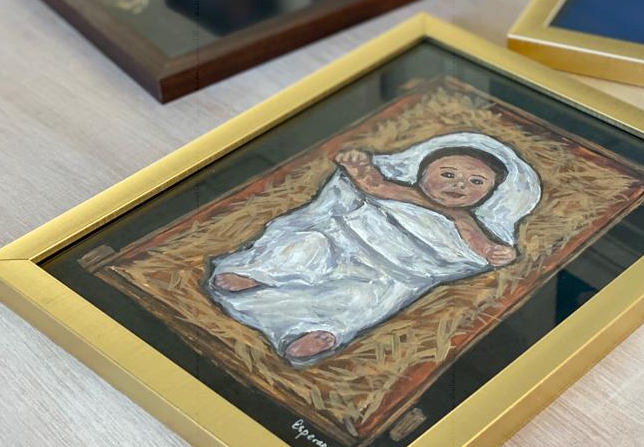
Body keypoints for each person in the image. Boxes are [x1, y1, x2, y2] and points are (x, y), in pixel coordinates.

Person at [205, 132, 542, 366]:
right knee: (308, 246)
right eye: (448, 173)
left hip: (392, 270)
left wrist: (497, 253)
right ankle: (259, 272)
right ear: (422, 171)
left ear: (490, 193)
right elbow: (371, 184)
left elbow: (482, 247)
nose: (459, 185)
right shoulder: (403, 192)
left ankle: (322, 329)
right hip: (348, 240)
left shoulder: (461, 218)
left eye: (476, 182)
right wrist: (358, 166)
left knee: (367, 297)